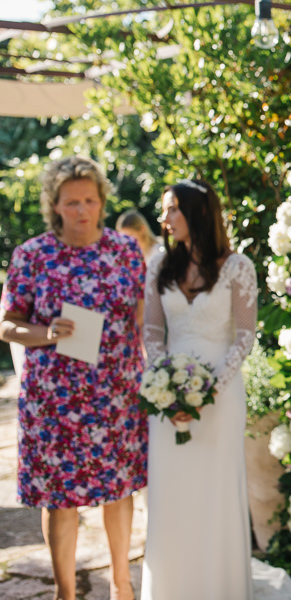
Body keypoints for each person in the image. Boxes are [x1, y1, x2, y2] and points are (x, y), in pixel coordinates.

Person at [0, 156, 147, 600]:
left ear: (102, 202)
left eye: (89, 200)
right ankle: (67, 594)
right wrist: (45, 334)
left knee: (117, 490)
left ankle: (122, 586)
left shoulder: (125, 251)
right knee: (59, 499)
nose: (81, 210)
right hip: (53, 399)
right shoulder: (32, 254)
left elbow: (143, 320)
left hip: (115, 395)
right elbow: (8, 325)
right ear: (55, 205)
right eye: (71, 202)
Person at [140, 179, 257, 600]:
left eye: (173, 210)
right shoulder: (159, 265)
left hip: (221, 397)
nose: (165, 219)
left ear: (198, 213)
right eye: (164, 210)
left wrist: (209, 389)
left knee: (217, 490)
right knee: (172, 491)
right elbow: (151, 332)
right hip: (167, 400)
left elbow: (244, 336)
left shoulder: (238, 266)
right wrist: (165, 389)